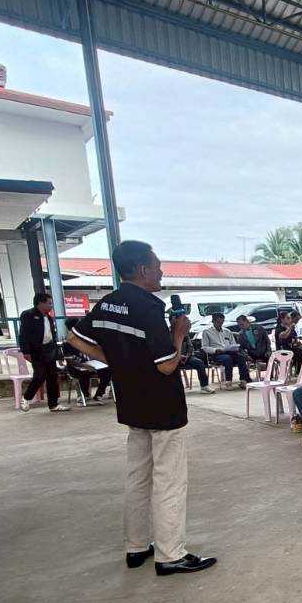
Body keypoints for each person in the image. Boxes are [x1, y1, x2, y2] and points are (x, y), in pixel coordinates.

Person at [67, 240, 216, 576]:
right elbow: (166, 365)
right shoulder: (148, 307)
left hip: (131, 403)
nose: (161, 273)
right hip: (163, 407)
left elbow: (74, 338)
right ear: (142, 269)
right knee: (169, 481)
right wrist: (179, 334)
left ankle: (136, 547)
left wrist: (117, 362)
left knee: (137, 477)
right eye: (157, 267)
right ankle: (170, 554)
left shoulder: (107, 303)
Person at [16, 292, 64, 413]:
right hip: (36, 350)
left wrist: (58, 353)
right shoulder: (28, 315)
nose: (51, 306)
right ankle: (26, 398)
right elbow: (23, 335)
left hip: (49, 349)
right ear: (40, 303)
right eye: (49, 303)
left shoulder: (49, 318)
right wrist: (26, 351)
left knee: (52, 377)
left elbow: (52, 335)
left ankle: (53, 404)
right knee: (40, 375)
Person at [63, 318, 111, 404]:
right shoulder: (68, 342)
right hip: (77, 367)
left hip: (92, 364)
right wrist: (85, 366)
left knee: (107, 371)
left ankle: (99, 394)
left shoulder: (86, 338)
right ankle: (85, 395)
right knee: (83, 373)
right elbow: (70, 360)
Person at [200, 313, 251, 387]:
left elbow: (233, 343)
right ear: (213, 321)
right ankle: (228, 381)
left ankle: (243, 380)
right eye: (218, 322)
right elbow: (205, 347)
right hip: (216, 354)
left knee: (241, 357)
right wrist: (215, 350)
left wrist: (234, 348)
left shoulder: (227, 331)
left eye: (222, 322)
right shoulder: (207, 332)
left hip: (229, 352)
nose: (220, 324)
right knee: (227, 358)